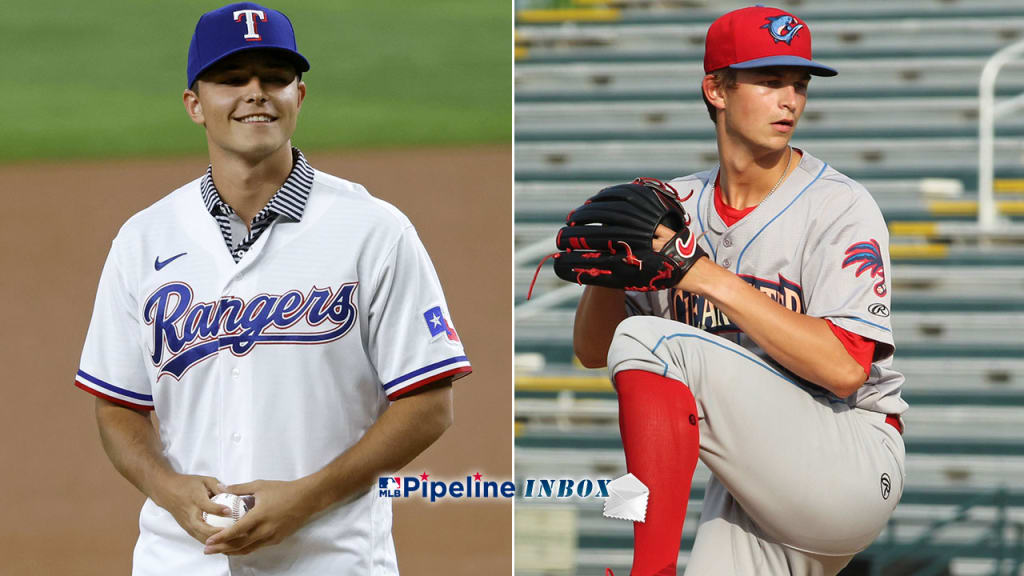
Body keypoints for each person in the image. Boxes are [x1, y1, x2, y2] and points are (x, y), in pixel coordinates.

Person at [73, 3, 471, 574]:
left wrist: (307, 498)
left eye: (274, 77)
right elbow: (116, 405)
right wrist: (167, 488)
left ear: (299, 96)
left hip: (331, 558)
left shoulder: (375, 230)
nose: (256, 92)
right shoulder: (143, 238)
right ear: (195, 104)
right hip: (181, 559)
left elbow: (430, 404)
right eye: (232, 79)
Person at [568, 6, 906, 575]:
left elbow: (846, 368)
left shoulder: (839, 205)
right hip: (754, 486)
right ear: (716, 89)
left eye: (798, 85)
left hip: (849, 457)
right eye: (770, 81)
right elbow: (593, 350)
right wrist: (612, 271)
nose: (790, 100)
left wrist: (699, 273)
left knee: (654, 343)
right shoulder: (675, 207)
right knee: (640, 337)